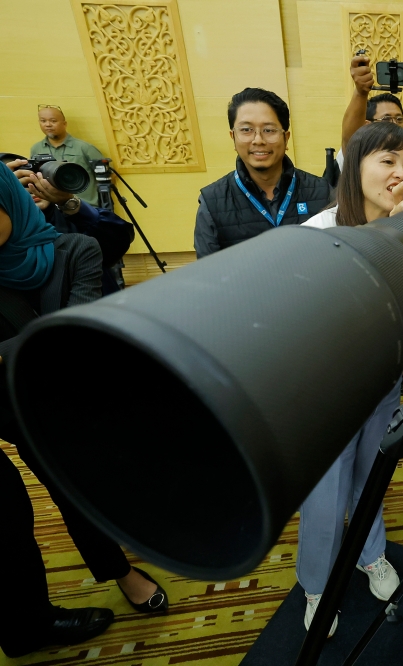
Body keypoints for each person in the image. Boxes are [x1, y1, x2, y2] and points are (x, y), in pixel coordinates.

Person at [0, 165, 168, 658]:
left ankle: (118, 571)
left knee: (77, 488)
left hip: (54, 398)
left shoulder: (71, 249)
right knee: (9, 515)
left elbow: (75, 336)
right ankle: (23, 623)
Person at [293, 122, 403, 636]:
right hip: (327, 388)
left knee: (372, 476)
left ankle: (370, 554)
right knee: (324, 493)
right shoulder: (318, 233)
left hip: (384, 378)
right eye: (387, 160)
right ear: (355, 164)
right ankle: (318, 583)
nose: (399, 173)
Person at [194, 88, 332, 258]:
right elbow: (209, 274)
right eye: (246, 130)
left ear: (286, 138)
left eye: (269, 130)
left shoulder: (321, 192)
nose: (258, 140)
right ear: (233, 138)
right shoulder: (212, 202)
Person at [5, 156, 134, 295]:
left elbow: (118, 241)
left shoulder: (72, 219)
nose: (31, 188)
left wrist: (68, 202)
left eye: (34, 179)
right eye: (19, 184)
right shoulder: (7, 231)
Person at [31, 105, 104, 207]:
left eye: (53, 121)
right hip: (54, 210)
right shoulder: (36, 149)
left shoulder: (84, 148)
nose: (48, 125)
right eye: (43, 121)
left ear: (64, 124)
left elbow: (107, 176)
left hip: (85, 208)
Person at [340, 52, 403, 157]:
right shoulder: (362, 155)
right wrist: (361, 92)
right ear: (367, 125)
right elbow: (351, 140)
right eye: (386, 119)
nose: (395, 124)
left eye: (399, 119)